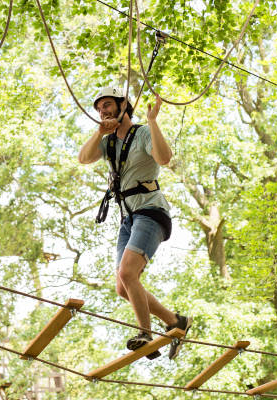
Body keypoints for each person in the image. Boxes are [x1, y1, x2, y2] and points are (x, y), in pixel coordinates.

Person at [78, 86, 192, 360]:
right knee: (122, 285)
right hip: (128, 217)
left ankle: (145, 333)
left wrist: (152, 121)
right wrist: (98, 133)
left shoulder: (141, 133)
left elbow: (164, 158)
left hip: (151, 211)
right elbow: (83, 159)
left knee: (128, 274)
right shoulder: (107, 143)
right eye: (99, 108)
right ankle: (176, 321)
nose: (103, 111)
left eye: (107, 105)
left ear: (123, 105)